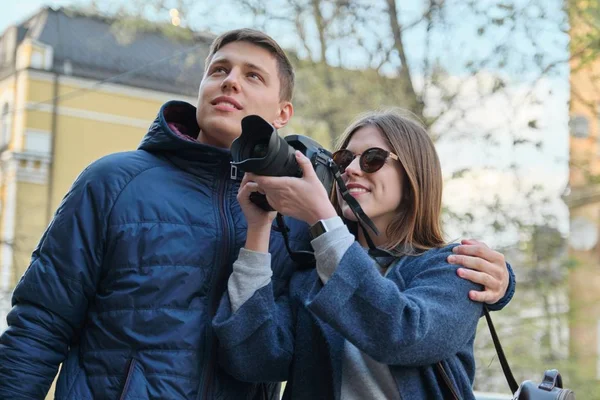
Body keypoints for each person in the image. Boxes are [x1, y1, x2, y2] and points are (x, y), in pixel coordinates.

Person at [0, 29, 513, 399]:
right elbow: (40, 322)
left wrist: (502, 277)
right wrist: (260, 230)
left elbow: (402, 318)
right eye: (217, 70)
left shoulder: (311, 231)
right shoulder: (114, 181)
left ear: (281, 113)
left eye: (251, 75)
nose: (229, 83)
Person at [213, 109, 515, 399]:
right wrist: (258, 228)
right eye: (343, 160)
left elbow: (402, 334)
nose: (351, 170)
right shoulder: (312, 277)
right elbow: (253, 360)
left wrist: (322, 217)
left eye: (372, 159)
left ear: (414, 176)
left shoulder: (454, 267)